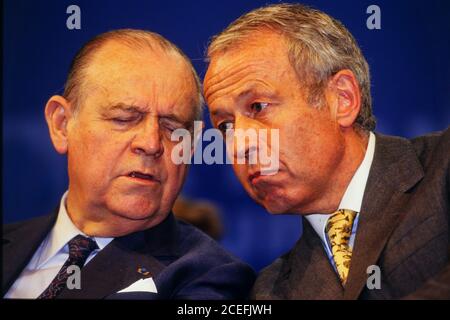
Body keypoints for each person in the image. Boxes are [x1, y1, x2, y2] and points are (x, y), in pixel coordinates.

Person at [203, 3, 449, 299]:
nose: (239, 145)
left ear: (341, 99)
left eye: (258, 107)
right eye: (225, 126)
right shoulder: (270, 292)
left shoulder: (443, 167)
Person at [3, 29, 255, 299]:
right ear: (62, 125)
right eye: (124, 119)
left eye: (172, 128)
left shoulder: (208, 277)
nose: (151, 143)